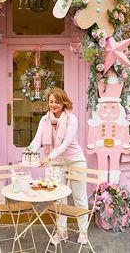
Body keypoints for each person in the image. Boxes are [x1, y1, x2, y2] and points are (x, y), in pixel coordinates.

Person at [28, 87, 88, 245]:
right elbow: (37, 140)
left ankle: (83, 232)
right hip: (55, 161)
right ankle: (62, 232)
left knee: (79, 197)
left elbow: (67, 143)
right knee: (59, 198)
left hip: (74, 159)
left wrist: (49, 156)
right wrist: (29, 150)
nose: (54, 104)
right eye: (51, 101)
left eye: (57, 101)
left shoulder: (71, 119)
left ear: (63, 102)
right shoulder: (44, 120)